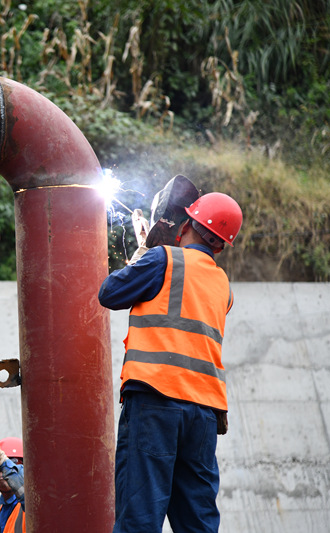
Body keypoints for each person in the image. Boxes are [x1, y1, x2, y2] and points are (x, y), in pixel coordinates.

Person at [98, 192, 243, 533]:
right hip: (204, 414)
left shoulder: (162, 259)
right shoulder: (224, 287)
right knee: (197, 520)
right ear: (221, 246)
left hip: (155, 402)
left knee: (140, 516)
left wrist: (141, 257)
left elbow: (109, 293)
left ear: (184, 226)